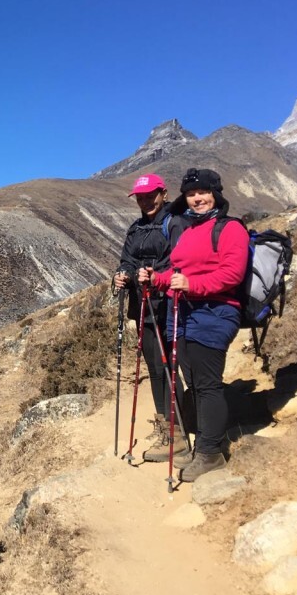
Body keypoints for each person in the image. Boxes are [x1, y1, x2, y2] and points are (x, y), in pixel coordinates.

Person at [139, 168, 249, 481]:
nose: (197, 198)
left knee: (207, 384)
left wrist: (192, 285)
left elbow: (232, 274)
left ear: (216, 194)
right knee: (194, 382)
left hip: (215, 313)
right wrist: (157, 279)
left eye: (203, 192)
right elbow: (177, 273)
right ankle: (201, 447)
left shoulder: (230, 229)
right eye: (191, 194)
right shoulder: (188, 232)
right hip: (183, 313)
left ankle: (211, 453)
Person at [113, 173, 187, 463]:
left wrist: (154, 276)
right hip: (142, 307)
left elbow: (180, 260)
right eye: (140, 197)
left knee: (167, 367)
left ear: (164, 194)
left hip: (168, 305)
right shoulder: (136, 228)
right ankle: (167, 425)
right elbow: (127, 260)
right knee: (155, 368)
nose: (145, 201)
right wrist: (123, 276)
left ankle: (178, 431)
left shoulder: (175, 223)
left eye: (150, 195)